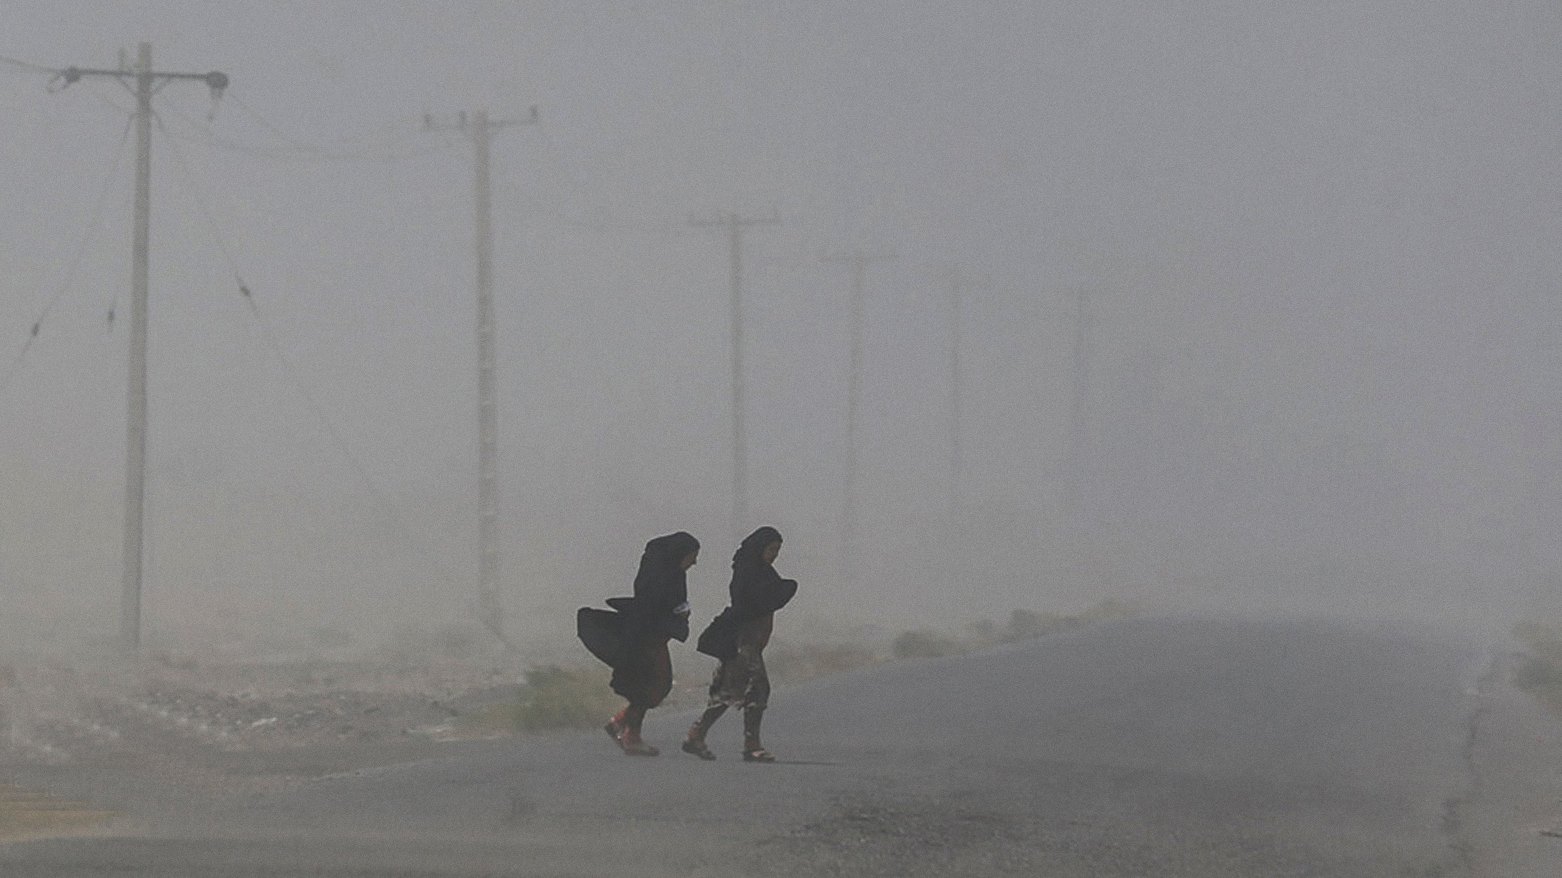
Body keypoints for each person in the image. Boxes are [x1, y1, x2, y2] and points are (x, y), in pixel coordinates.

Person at [577, 531, 699, 756]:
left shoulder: (673, 574)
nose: (694, 562)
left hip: (655, 639)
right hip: (646, 641)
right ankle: (626, 729)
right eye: (692, 556)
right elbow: (652, 608)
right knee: (652, 687)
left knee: (651, 686)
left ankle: (625, 728)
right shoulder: (661, 577)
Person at [684, 526, 796, 762]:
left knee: (728, 691)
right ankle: (751, 744)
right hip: (743, 641)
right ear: (759, 549)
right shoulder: (748, 573)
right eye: (771, 549)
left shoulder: (765, 573)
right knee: (758, 687)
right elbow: (751, 604)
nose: (774, 555)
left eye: (777, 550)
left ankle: (697, 734)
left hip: (751, 641)